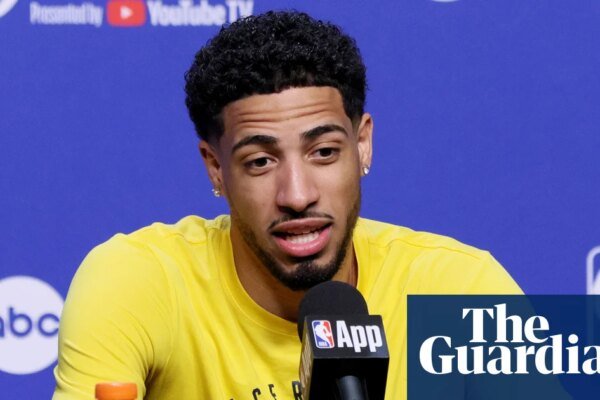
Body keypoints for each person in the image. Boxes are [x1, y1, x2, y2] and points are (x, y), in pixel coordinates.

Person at [52, 11, 521, 400]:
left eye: (324, 152)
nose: (297, 195)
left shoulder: (460, 290)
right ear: (216, 168)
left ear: (362, 145)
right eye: (260, 161)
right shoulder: (140, 280)